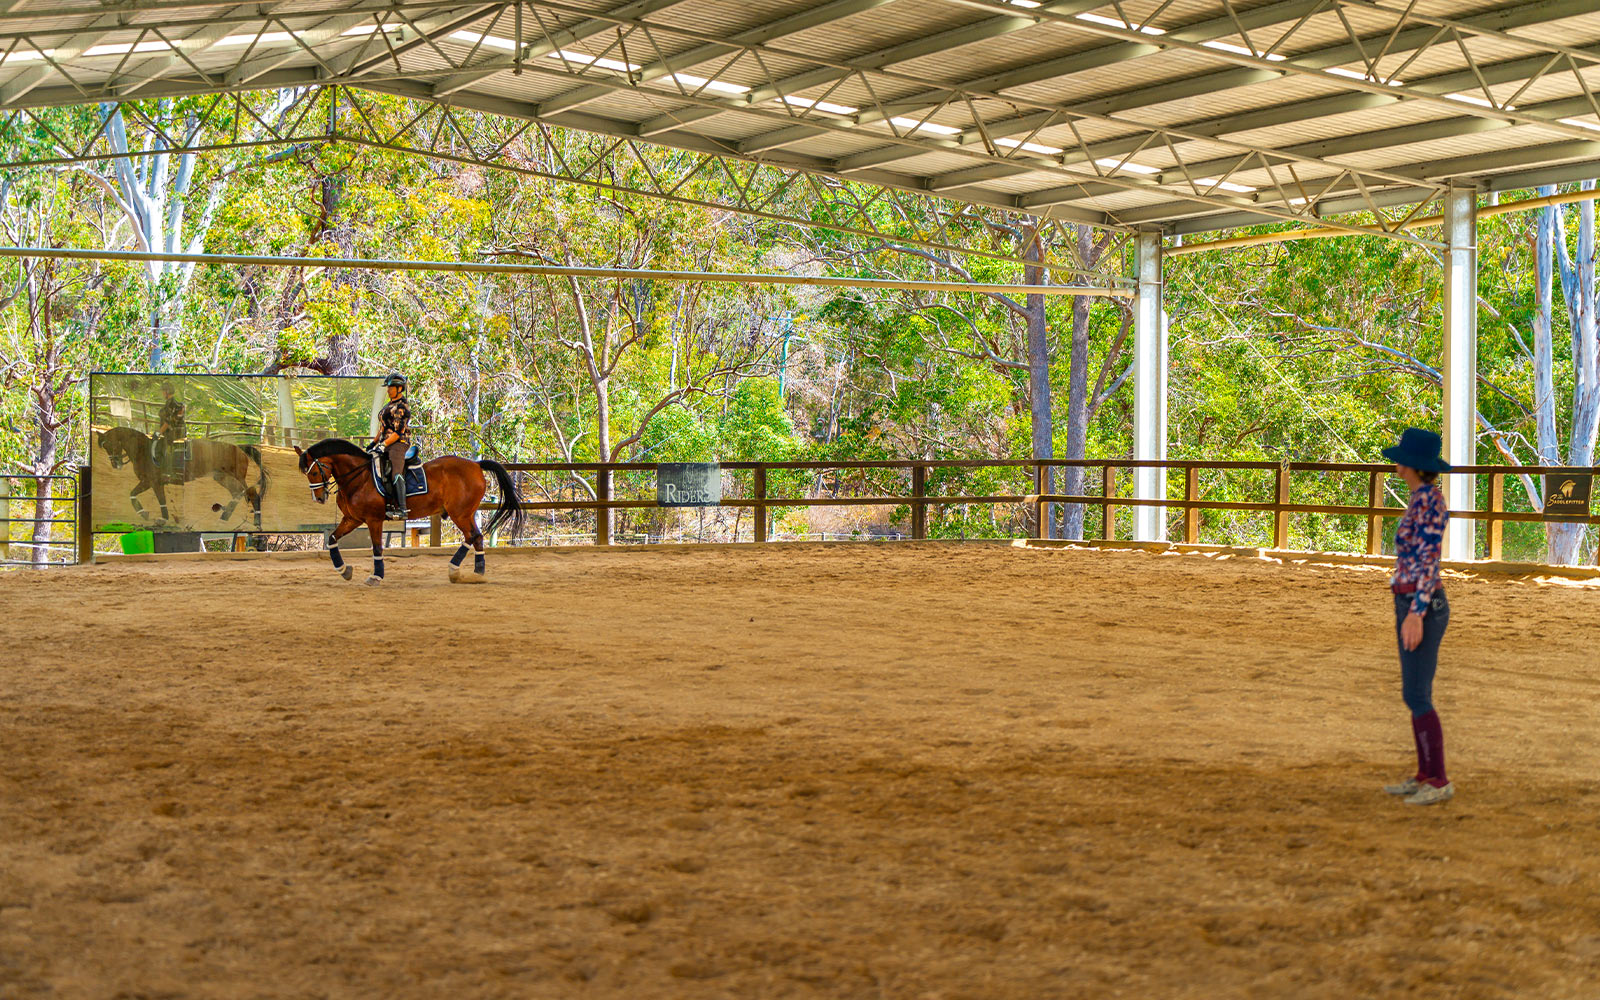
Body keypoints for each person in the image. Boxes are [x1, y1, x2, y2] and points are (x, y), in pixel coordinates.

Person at [1380, 427, 1454, 806]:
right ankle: (1427, 774)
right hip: (1412, 600)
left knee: (1417, 694)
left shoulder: (1427, 503)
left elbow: (1428, 560)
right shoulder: (1423, 498)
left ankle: (1437, 778)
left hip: (1419, 603)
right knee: (1415, 694)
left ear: (1412, 465)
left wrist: (1416, 613)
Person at [372, 373, 413, 523]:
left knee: (396, 472)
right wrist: (374, 443)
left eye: (391, 388)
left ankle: (402, 509)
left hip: (398, 443)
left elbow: (398, 432)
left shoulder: (402, 406)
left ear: (399, 388)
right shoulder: (388, 405)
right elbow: (383, 428)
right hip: (385, 442)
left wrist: (383, 445)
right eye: (388, 387)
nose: (388, 390)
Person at [155, 381, 186, 474]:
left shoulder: (171, 404)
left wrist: (159, 433)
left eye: (163, 391)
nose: (163, 393)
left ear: (167, 392)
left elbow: (168, 422)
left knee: (161, 446)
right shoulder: (171, 403)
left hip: (173, 433)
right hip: (173, 432)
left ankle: (167, 472)